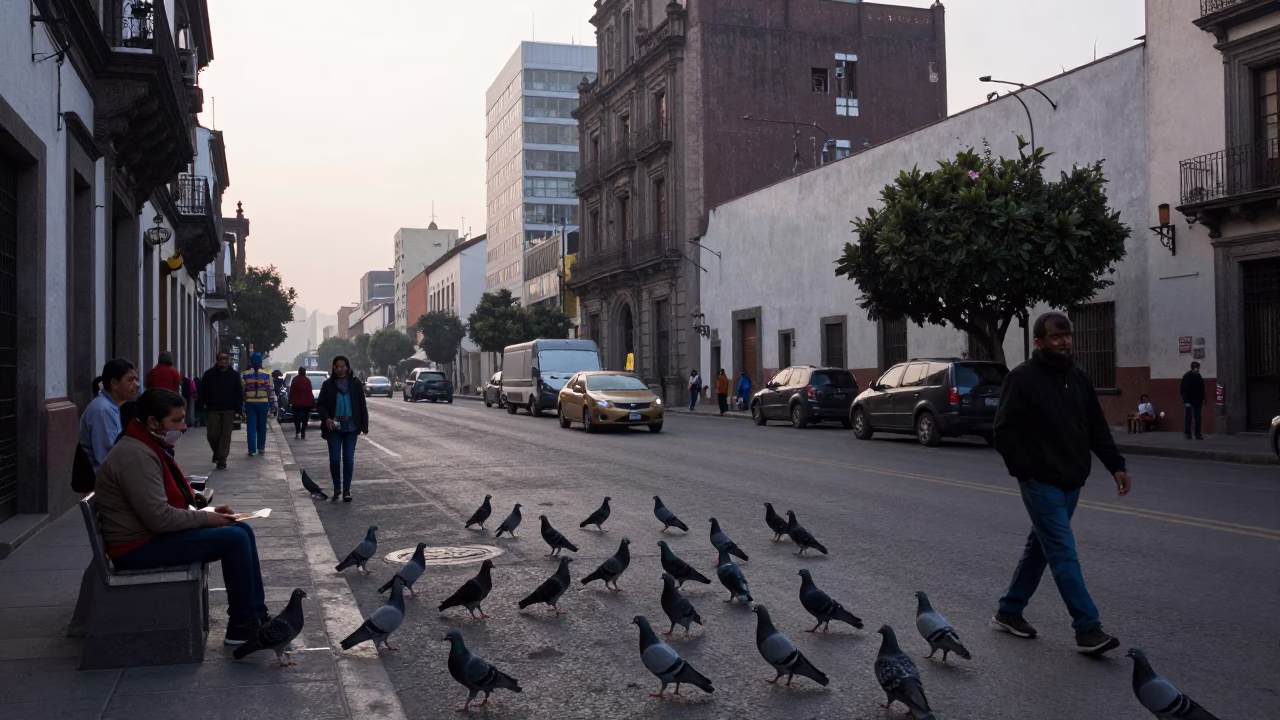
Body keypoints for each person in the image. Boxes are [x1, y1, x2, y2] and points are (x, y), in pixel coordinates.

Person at [991, 311, 1131, 656]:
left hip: (1072, 480)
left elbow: (1096, 427)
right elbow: (1003, 431)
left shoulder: (1078, 377)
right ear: (1038, 342)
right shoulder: (1022, 378)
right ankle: (1087, 628)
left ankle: (1009, 610)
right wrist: (1027, 472)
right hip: (1041, 482)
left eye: (1067, 336)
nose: (1064, 342)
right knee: (1063, 553)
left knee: (1041, 547)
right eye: (1056, 337)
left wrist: (1116, 465)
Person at [95, 388, 269, 645]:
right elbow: (159, 518)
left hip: (149, 536)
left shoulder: (145, 444)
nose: (184, 426)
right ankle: (242, 626)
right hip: (137, 547)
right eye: (176, 421)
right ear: (153, 422)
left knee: (243, 530)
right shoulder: (135, 455)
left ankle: (256, 616)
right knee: (234, 538)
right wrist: (205, 519)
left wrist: (205, 512)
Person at [317, 355, 368, 503]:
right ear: (334, 368)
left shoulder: (355, 383)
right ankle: (337, 488)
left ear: (348, 367)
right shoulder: (328, 385)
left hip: (351, 427)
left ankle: (346, 490)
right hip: (334, 428)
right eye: (337, 366)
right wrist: (326, 418)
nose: (340, 369)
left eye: (343, 366)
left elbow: (361, 405)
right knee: (334, 459)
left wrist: (364, 425)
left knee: (348, 460)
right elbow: (320, 405)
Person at [77, 359, 139, 474]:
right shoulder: (101, 410)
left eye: (136, 379)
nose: (137, 385)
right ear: (114, 383)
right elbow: (107, 457)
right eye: (130, 380)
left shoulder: (111, 406)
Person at [198, 352, 242, 470]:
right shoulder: (208, 375)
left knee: (225, 435)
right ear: (217, 360)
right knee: (212, 434)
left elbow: (239, 392)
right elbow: (202, 392)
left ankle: (222, 459)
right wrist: (201, 405)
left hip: (229, 409)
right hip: (212, 409)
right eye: (222, 359)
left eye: (226, 359)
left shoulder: (234, 375)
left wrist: (239, 408)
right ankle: (218, 453)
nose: (224, 361)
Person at [241, 353, 277, 457]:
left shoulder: (245, 374)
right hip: (263, 403)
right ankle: (261, 447)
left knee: (251, 426)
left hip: (250, 403)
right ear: (261, 361)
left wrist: (243, 405)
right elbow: (270, 391)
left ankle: (252, 450)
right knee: (262, 426)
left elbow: (243, 391)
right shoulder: (267, 375)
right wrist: (272, 405)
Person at [1179, 361, 1206, 440]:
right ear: (1193, 368)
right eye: (1196, 368)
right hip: (1189, 401)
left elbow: (1202, 388)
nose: (1198, 369)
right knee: (1189, 417)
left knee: (1198, 417)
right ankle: (1188, 433)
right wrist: (1186, 400)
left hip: (1198, 401)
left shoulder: (1199, 377)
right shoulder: (1187, 377)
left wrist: (1203, 398)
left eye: (1198, 367)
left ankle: (1197, 434)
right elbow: (1183, 390)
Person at [288, 367, 315, 439]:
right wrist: (312, 401)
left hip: (296, 403)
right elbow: (310, 392)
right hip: (306, 403)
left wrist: (290, 401)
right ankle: (303, 431)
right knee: (305, 418)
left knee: (296, 418)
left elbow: (292, 391)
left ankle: (297, 431)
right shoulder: (307, 380)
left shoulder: (295, 380)